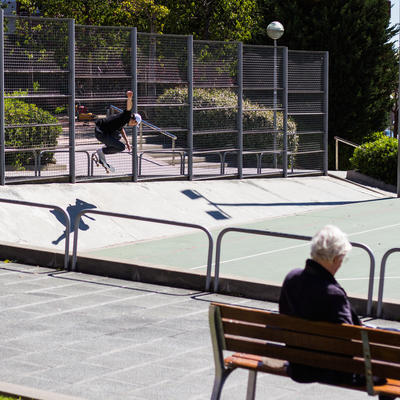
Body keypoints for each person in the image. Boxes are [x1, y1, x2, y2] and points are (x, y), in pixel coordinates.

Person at [279, 225, 394, 400]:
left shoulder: (291, 279)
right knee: (391, 354)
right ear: (334, 259)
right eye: (342, 259)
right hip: (335, 369)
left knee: (390, 337)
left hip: (299, 366)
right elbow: (351, 340)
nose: (341, 263)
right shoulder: (332, 294)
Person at [93, 90, 142, 170]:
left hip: (102, 131)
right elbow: (129, 108)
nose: (133, 125)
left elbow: (121, 130)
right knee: (121, 147)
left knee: (118, 136)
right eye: (135, 124)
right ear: (134, 120)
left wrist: (127, 142)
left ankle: (102, 152)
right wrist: (129, 98)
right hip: (101, 132)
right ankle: (101, 151)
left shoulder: (123, 121)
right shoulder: (126, 116)